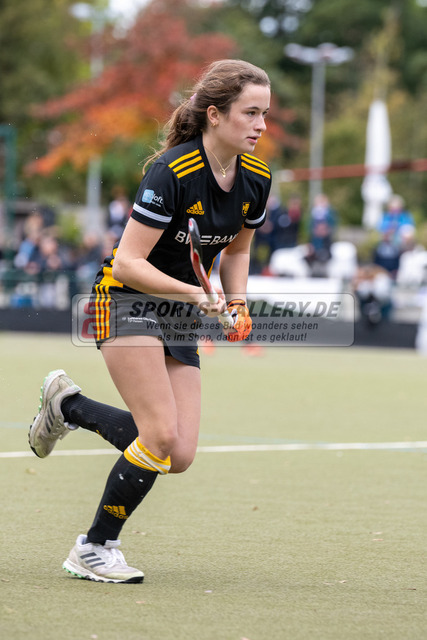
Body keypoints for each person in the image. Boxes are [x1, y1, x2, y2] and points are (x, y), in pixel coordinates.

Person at [28, 59, 272, 584]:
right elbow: (127, 263)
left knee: (177, 453)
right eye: (250, 112)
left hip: (178, 311)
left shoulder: (257, 177)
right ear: (215, 114)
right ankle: (94, 547)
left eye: (264, 114)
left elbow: (237, 250)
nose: (260, 125)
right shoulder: (172, 172)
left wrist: (238, 302)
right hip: (123, 299)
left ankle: (68, 406)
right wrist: (193, 292)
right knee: (158, 435)